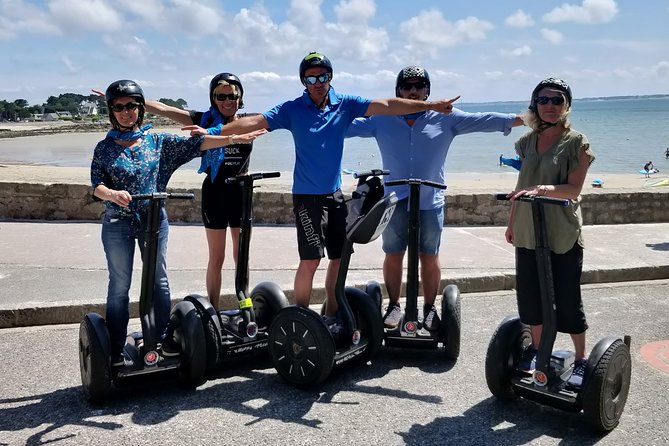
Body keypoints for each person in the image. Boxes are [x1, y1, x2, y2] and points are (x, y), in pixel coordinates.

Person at [184, 52, 459, 332]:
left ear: (330, 78)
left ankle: (331, 312)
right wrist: (214, 130)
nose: (318, 82)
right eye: (311, 77)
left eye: (323, 76)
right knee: (311, 259)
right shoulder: (292, 109)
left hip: (335, 195)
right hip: (306, 198)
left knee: (340, 257)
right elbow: (255, 122)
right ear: (304, 80)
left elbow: (387, 104)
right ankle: (300, 319)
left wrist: (432, 105)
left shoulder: (346, 104)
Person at [91, 79, 265, 367]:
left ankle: (161, 341)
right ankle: (115, 349)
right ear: (111, 111)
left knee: (158, 280)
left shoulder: (158, 142)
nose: (126, 112)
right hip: (116, 222)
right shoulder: (104, 148)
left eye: (132, 106)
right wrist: (110, 193)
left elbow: (197, 143)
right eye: (119, 107)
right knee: (120, 285)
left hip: (153, 220)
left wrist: (233, 139)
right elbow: (96, 184)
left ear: (140, 109)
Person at [346, 66, 523, 330]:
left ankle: (429, 309)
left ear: (428, 91)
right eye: (407, 86)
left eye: (419, 86)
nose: (413, 91)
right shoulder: (381, 118)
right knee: (393, 253)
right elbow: (341, 128)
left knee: (429, 255)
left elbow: (483, 120)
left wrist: (525, 119)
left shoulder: (445, 117)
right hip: (394, 198)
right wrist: (301, 125)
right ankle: (394, 305)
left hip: (429, 199)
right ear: (398, 91)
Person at [504, 78, 594, 388]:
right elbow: (521, 186)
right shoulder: (527, 142)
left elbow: (574, 188)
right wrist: (512, 222)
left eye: (557, 100)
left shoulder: (576, 142)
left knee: (567, 298)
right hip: (529, 229)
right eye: (544, 100)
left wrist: (545, 189)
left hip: (561, 231)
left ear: (566, 105)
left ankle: (581, 360)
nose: (550, 106)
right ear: (535, 104)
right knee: (530, 297)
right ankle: (539, 351)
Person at [141, 73, 256, 311]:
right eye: (221, 96)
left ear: (240, 97)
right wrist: (128, 98)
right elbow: (164, 109)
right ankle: (212, 310)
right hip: (215, 192)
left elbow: (286, 117)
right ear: (213, 98)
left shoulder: (249, 121)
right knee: (217, 257)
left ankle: (245, 304)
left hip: (240, 194)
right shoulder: (203, 119)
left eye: (232, 96)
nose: (228, 101)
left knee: (242, 256)